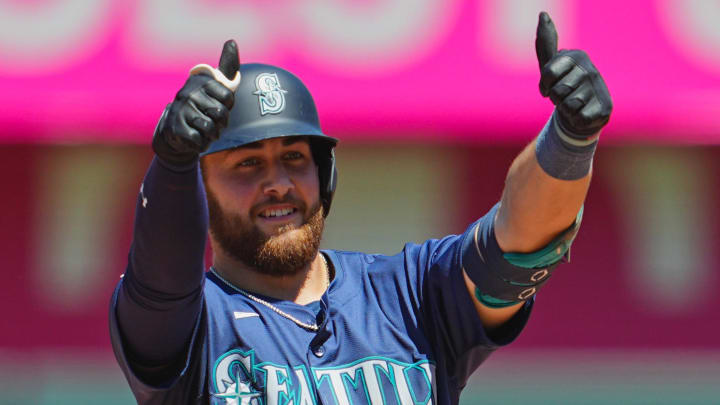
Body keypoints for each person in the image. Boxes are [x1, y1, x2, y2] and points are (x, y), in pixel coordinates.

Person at [109, 11, 611, 405]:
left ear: (325, 176)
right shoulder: (190, 325)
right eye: (246, 165)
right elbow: (160, 274)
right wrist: (173, 164)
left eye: (293, 158)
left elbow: (519, 247)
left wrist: (570, 138)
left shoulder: (410, 294)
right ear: (201, 189)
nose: (278, 183)